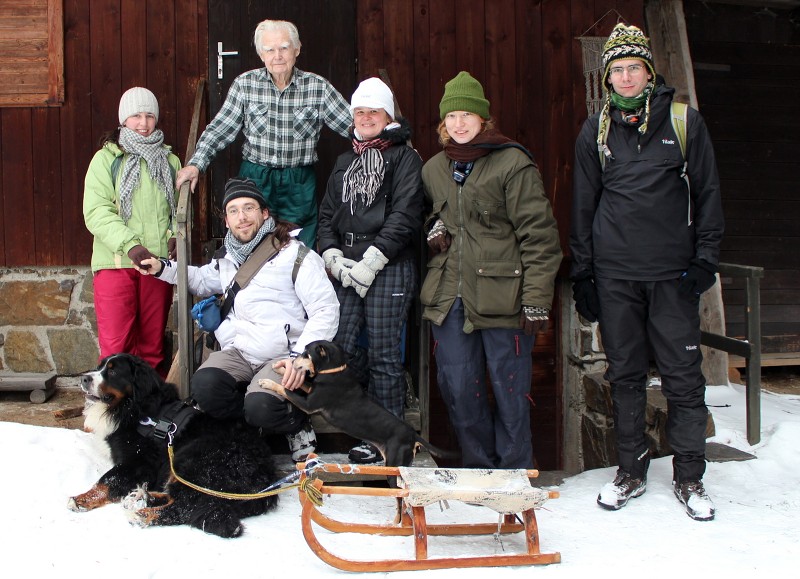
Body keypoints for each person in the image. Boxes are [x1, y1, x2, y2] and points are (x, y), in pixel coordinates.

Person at [569, 23, 724, 521]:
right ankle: (630, 471)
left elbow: (708, 194)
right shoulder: (595, 130)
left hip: (672, 275)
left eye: (634, 67)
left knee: (682, 378)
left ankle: (691, 477)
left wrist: (705, 259)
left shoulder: (684, 122)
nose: (626, 76)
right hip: (616, 276)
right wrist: (584, 273)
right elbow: (583, 205)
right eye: (617, 69)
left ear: (649, 71)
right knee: (627, 376)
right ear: (608, 77)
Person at [136, 177, 340, 462]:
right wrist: (161, 268)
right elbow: (198, 280)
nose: (242, 217)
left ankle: (296, 426)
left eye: (249, 208)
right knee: (205, 386)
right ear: (227, 220)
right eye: (234, 211)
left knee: (262, 406)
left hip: (283, 355)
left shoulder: (296, 256)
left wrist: (302, 357)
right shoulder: (227, 259)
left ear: (264, 213)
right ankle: (246, 432)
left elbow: (325, 309)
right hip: (242, 350)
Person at [420, 72, 562, 470]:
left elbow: (540, 237)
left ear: (484, 119)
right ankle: (479, 471)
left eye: (468, 115)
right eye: (452, 116)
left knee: (509, 389)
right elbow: (430, 215)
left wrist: (536, 300)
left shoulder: (512, 163)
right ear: (443, 122)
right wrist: (431, 229)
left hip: (505, 299)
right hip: (449, 299)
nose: (460, 123)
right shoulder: (433, 169)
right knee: (460, 391)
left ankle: (513, 474)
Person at [317, 77, 424, 464]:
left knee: (382, 353)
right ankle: (364, 431)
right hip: (347, 267)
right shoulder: (346, 162)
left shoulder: (405, 159)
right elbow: (327, 214)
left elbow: (406, 214)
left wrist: (374, 260)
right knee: (342, 348)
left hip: (388, 264)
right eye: (359, 112)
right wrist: (331, 255)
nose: (364, 118)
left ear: (387, 116)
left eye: (372, 112)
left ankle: (391, 438)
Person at [175, 19, 352, 248]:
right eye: (270, 49)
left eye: (284, 48)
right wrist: (195, 164)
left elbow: (353, 125)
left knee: (299, 246)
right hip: (255, 177)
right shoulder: (245, 85)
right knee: (251, 244)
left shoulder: (317, 87)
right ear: (261, 54)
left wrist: (386, 142)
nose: (277, 55)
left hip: (297, 180)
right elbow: (220, 129)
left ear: (297, 50)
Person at [83, 87, 182, 378]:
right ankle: (111, 414)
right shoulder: (106, 160)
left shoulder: (169, 161)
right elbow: (96, 212)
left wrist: (174, 235)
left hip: (156, 265)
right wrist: (131, 246)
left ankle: (148, 411)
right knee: (116, 347)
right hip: (117, 263)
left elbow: (177, 212)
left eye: (150, 115)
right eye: (136, 116)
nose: (143, 122)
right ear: (123, 120)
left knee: (152, 345)